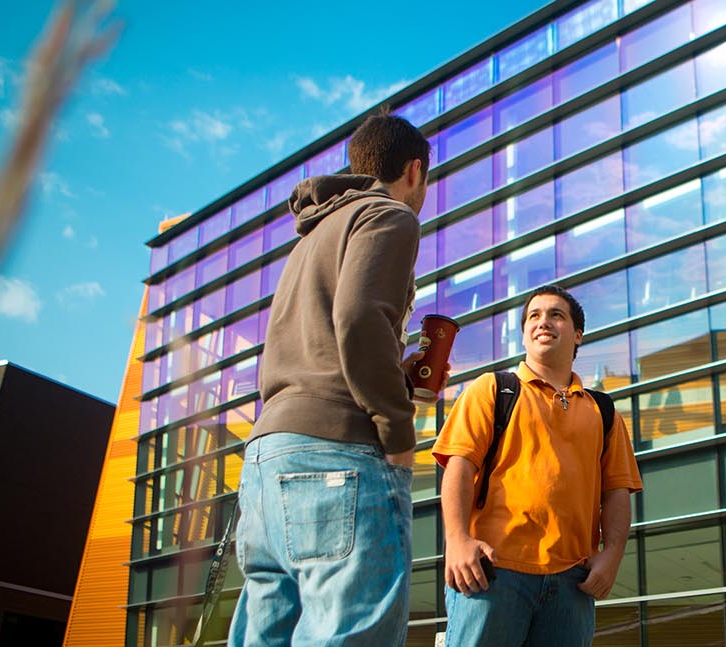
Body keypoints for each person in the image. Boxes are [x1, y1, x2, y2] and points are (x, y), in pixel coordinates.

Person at [229, 114, 436, 646]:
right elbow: (358, 317)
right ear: (414, 171)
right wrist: (396, 430)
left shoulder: (310, 238)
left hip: (267, 459)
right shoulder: (389, 215)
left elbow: (327, 335)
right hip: (337, 454)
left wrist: (398, 372)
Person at [433, 285, 643, 647]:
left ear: (577, 334)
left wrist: (611, 556)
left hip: (572, 583)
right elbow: (459, 467)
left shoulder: (603, 412)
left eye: (556, 315)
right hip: (492, 574)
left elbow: (617, 492)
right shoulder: (492, 389)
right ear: (525, 334)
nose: (543, 321)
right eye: (534, 316)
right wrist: (456, 540)